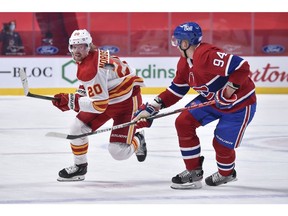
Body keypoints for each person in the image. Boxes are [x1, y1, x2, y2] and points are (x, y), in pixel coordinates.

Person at [133, 22, 257, 189]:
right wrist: (154, 106)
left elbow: (242, 67)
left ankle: (227, 174)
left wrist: (228, 91)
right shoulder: (184, 63)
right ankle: (193, 171)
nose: (175, 44)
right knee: (183, 122)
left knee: (220, 144)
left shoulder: (207, 55)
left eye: (177, 41)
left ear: (185, 43)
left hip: (239, 105)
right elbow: (177, 89)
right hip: (211, 101)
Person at [51, 29, 147, 182]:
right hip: (109, 99)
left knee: (118, 152)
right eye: (73, 47)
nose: (76, 51)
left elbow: (99, 105)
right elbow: (93, 89)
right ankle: (80, 167)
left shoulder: (92, 68)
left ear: (88, 46)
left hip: (126, 103)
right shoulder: (90, 57)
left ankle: (138, 139)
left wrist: (72, 102)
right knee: (77, 128)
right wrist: (74, 98)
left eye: (81, 46)